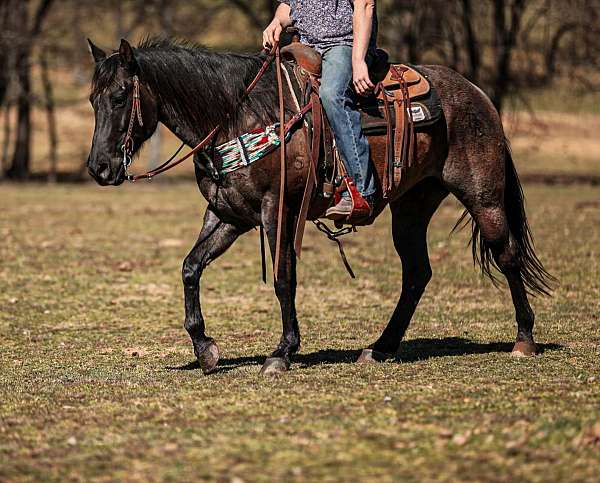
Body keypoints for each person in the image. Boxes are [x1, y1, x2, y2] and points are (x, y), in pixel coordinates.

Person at [263, 0, 378, 220]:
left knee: (332, 95)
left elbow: (365, 5)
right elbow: (289, 5)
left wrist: (358, 61)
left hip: (344, 45)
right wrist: (277, 21)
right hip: (306, 45)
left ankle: (362, 190)